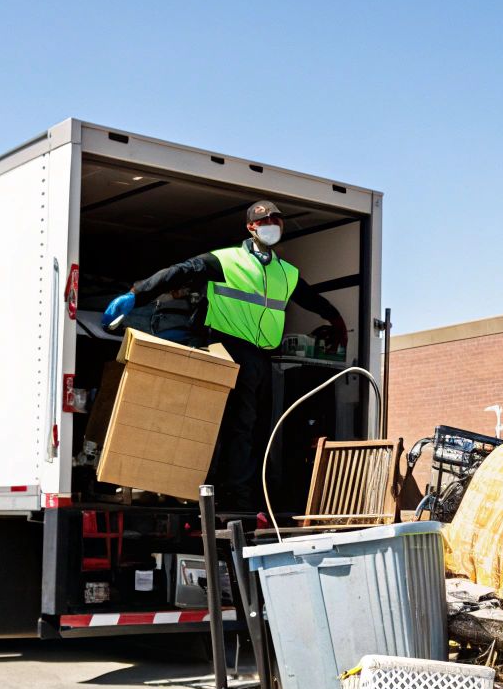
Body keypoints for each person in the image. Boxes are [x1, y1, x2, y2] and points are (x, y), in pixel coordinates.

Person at [103, 200, 350, 511]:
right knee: (240, 427)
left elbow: (310, 298)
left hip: (263, 358)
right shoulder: (226, 261)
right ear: (251, 227)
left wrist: (336, 319)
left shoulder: (286, 273)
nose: (272, 225)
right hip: (231, 350)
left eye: (277, 220)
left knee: (262, 430)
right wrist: (137, 294)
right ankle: (237, 502)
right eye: (265, 221)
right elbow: (179, 272)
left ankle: (254, 498)